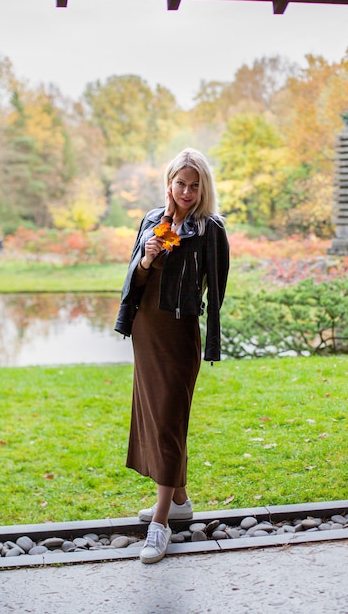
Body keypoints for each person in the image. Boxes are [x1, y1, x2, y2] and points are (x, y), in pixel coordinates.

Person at [115, 148, 229, 564]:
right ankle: (178, 500)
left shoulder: (210, 230)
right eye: (181, 183)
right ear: (169, 183)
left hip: (179, 334)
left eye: (195, 184)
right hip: (146, 331)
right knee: (156, 418)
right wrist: (146, 257)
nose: (187, 191)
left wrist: (212, 343)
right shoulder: (150, 221)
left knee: (168, 420)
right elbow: (134, 278)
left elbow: (215, 293)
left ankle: (159, 524)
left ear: (204, 188)